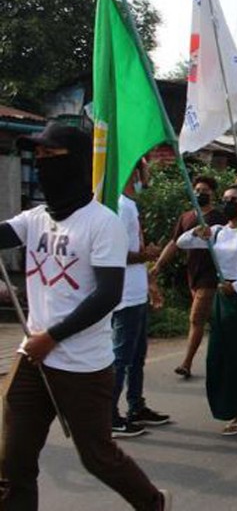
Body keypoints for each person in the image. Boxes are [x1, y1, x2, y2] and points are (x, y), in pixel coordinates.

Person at [0, 122, 170, 510]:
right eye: (37, 158)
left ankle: (153, 503)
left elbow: (107, 294)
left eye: (50, 157)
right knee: (12, 462)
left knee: (97, 457)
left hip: (81, 365)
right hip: (32, 358)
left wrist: (53, 336)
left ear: (74, 163)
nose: (40, 166)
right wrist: (40, 342)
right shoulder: (34, 218)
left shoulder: (102, 223)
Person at [177, 184, 237, 436]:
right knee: (219, 356)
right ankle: (226, 405)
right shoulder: (217, 232)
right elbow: (182, 242)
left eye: (234, 200)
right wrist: (197, 231)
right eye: (225, 199)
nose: (228, 203)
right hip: (222, 300)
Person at [111, 166, 169, 438]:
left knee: (137, 356)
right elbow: (116, 254)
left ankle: (136, 406)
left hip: (136, 290)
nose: (149, 176)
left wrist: (150, 282)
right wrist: (147, 254)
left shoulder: (131, 206)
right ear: (135, 172)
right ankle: (109, 413)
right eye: (145, 169)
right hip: (123, 294)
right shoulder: (122, 206)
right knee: (121, 358)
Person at [151, 175, 226, 378]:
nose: (201, 193)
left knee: (196, 319)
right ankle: (227, 355)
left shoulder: (219, 217)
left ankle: (186, 363)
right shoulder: (186, 217)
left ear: (213, 194)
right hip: (193, 274)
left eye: (205, 190)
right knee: (214, 320)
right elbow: (174, 243)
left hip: (212, 276)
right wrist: (158, 266)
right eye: (198, 190)